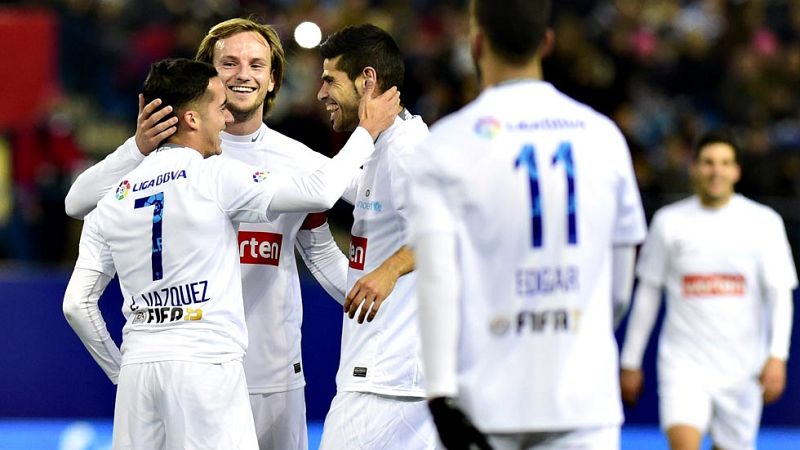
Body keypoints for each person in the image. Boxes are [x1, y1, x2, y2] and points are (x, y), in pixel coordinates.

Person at [63, 18, 398, 450]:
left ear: (273, 78)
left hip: (271, 377)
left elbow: (327, 245)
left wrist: (380, 301)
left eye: (257, 64)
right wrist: (135, 147)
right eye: (229, 63)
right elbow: (77, 201)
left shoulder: (298, 160)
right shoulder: (182, 161)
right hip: (209, 365)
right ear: (208, 77)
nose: (244, 74)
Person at [407, 0, 648, 449]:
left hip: (486, 403)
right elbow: (619, 287)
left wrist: (439, 394)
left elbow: (437, 280)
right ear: (547, 42)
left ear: (477, 44)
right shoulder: (604, 137)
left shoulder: (445, 145)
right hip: (584, 402)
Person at [619, 129, 797, 450]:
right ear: (694, 168)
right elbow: (648, 294)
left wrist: (777, 356)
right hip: (683, 365)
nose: (716, 171)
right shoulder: (669, 222)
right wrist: (630, 361)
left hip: (742, 370)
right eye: (708, 162)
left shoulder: (763, 223)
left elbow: (780, 295)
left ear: (736, 171)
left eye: (725, 163)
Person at [314, 24, 437, 449]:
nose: (321, 93)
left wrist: (390, 271)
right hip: (394, 381)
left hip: (387, 386)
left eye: (330, 80)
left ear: (367, 80)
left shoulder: (406, 150)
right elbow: (325, 182)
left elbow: (448, 229)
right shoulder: (382, 149)